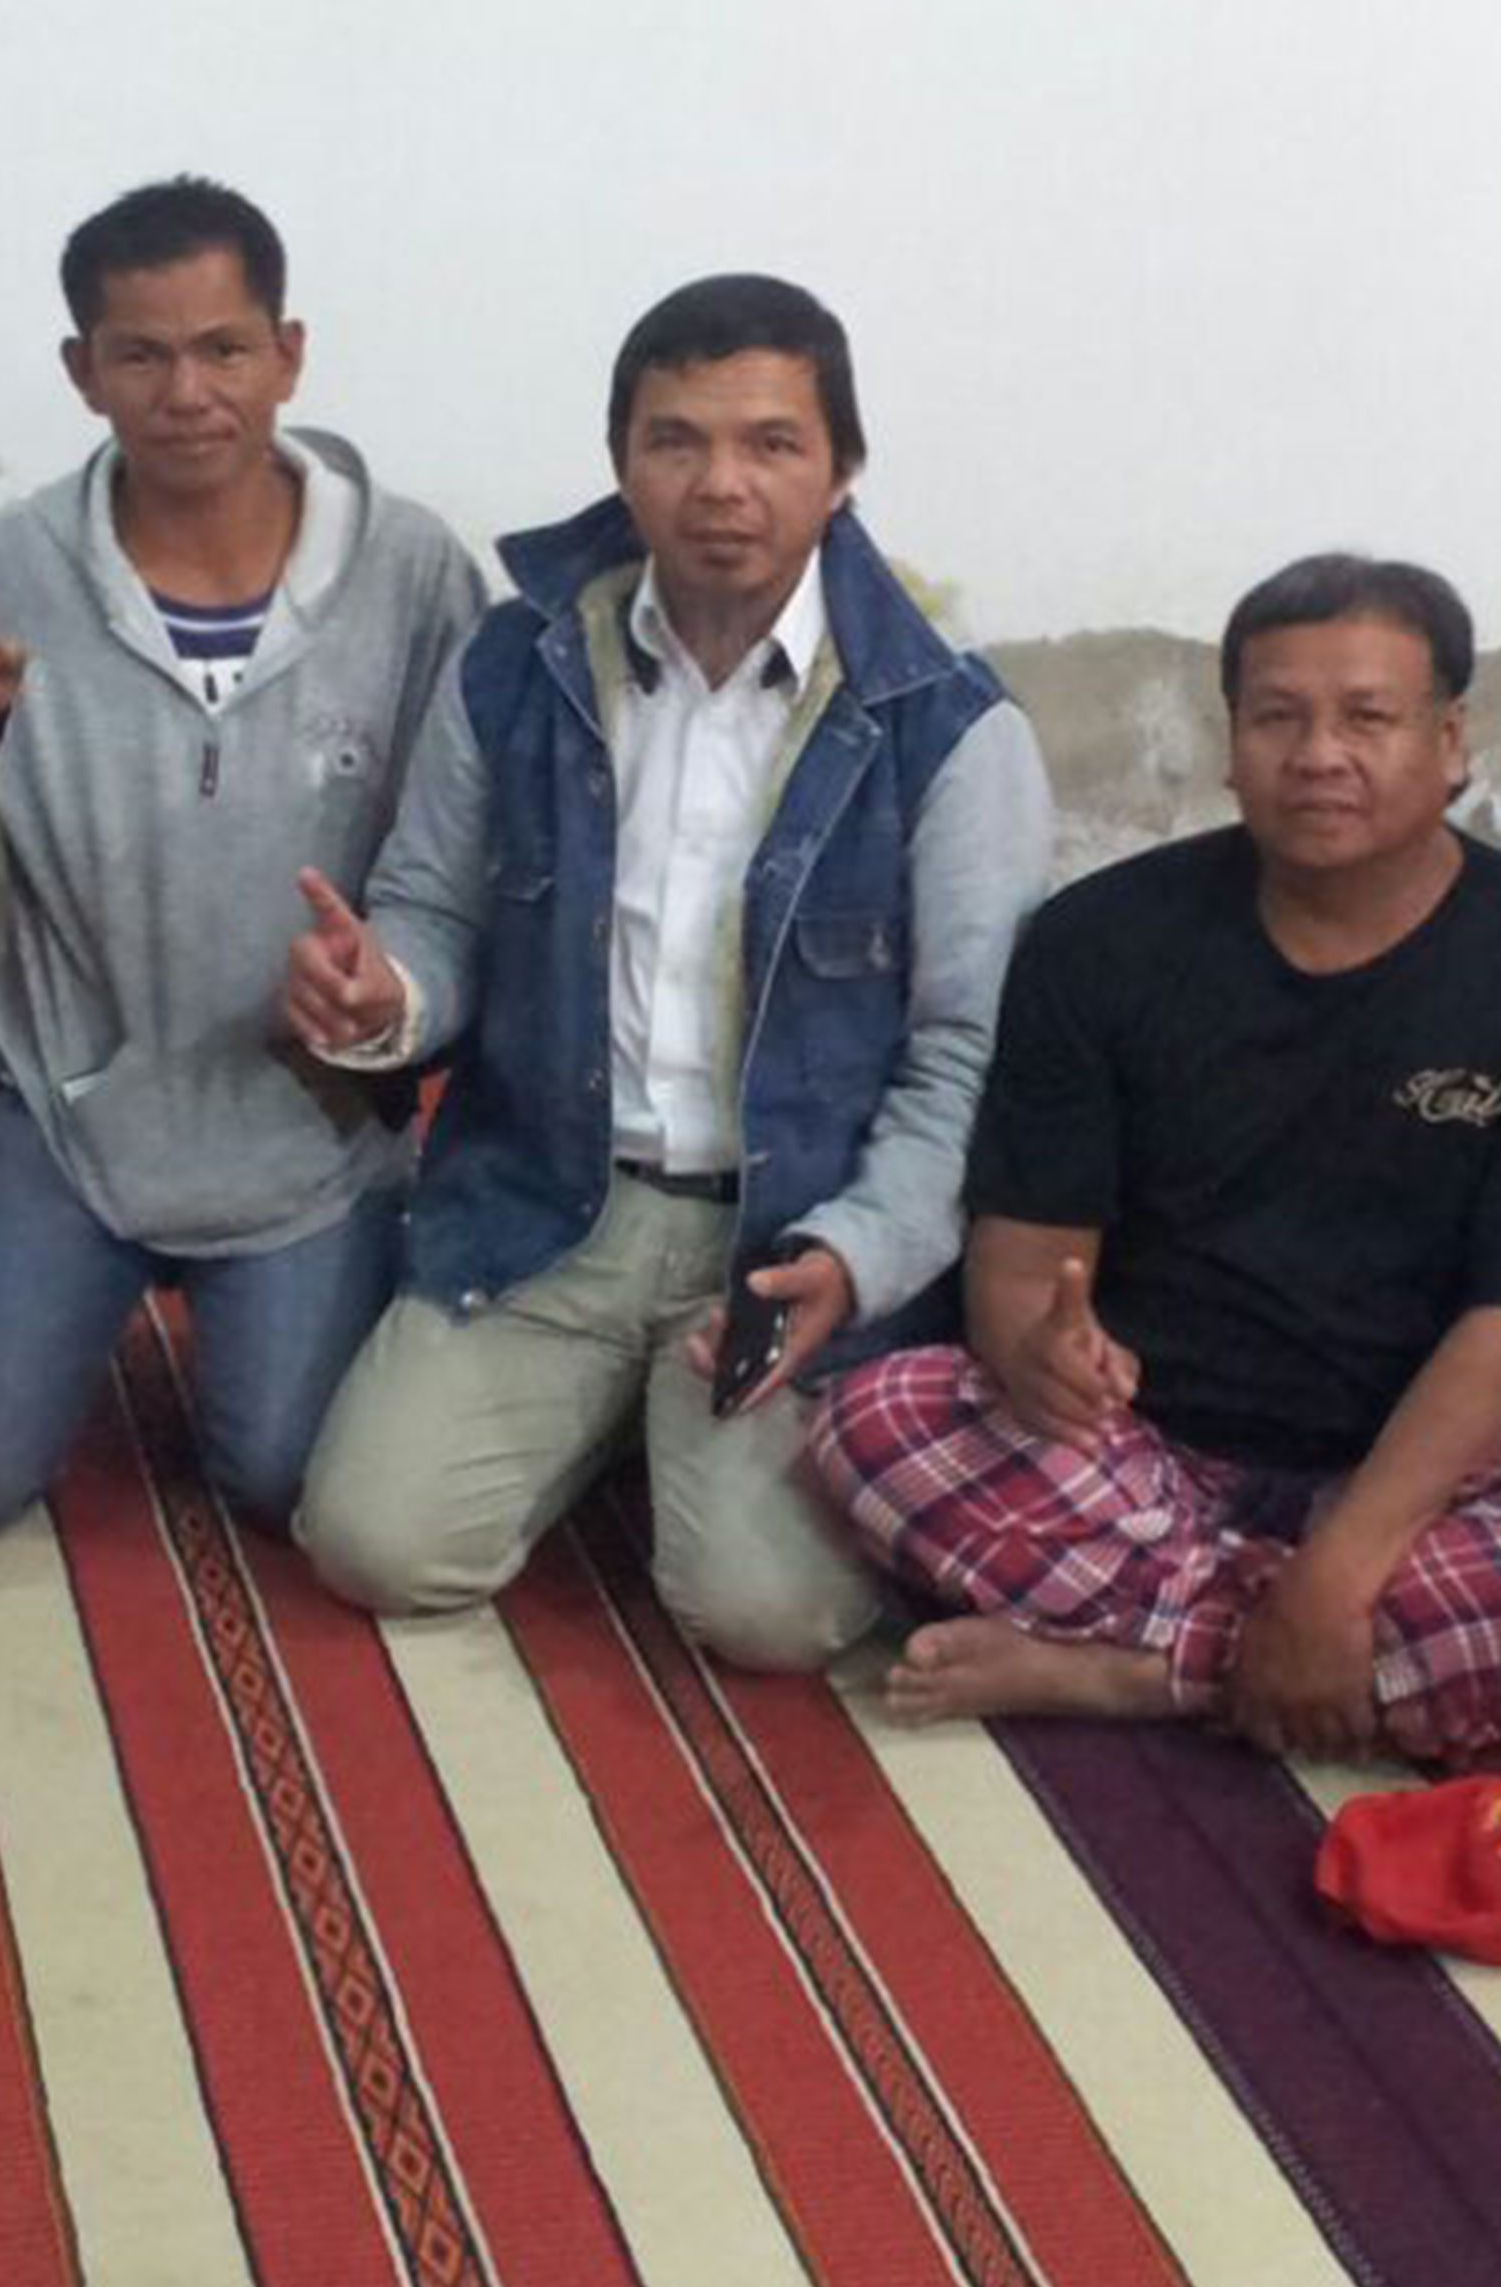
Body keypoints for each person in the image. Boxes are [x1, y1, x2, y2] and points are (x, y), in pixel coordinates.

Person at [806, 553, 1501, 1759]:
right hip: (1141, 1452)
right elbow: (1023, 1264)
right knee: (874, 1418)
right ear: (1230, 745)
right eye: (1278, 717)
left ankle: (1142, 1675)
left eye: (1368, 718)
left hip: (1424, 1474)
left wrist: (1341, 1570)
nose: (1319, 754)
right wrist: (1041, 1357)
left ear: (1451, 742)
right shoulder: (1101, 939)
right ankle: (1312, 1670)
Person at [280, 273, 1052, 1669]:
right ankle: (622, 1411)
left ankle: (669, 1424)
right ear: (621, 459)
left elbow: (969, 1054)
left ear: (843, 468)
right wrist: (390, 1000)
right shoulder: (516, 665)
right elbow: (433, 912)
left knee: (772, 1621)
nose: (721, 485)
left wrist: (855, 1255)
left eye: (772, 443)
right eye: (676, 440)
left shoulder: (945, 721)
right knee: (376, 1547)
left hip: (790, 1240)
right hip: (549, 1205)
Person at [0, 177, 483, 1530]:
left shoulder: (415, 575)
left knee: (289, 1481)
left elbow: (465, 859)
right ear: (83, 371)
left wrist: (392, 1005)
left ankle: (293, 1285)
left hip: (307, 1124)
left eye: (224, 349)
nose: (187, 392)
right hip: (71, 1103)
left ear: (288, 355)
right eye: (141, 355)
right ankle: (48, 1271)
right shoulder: (3, 579)